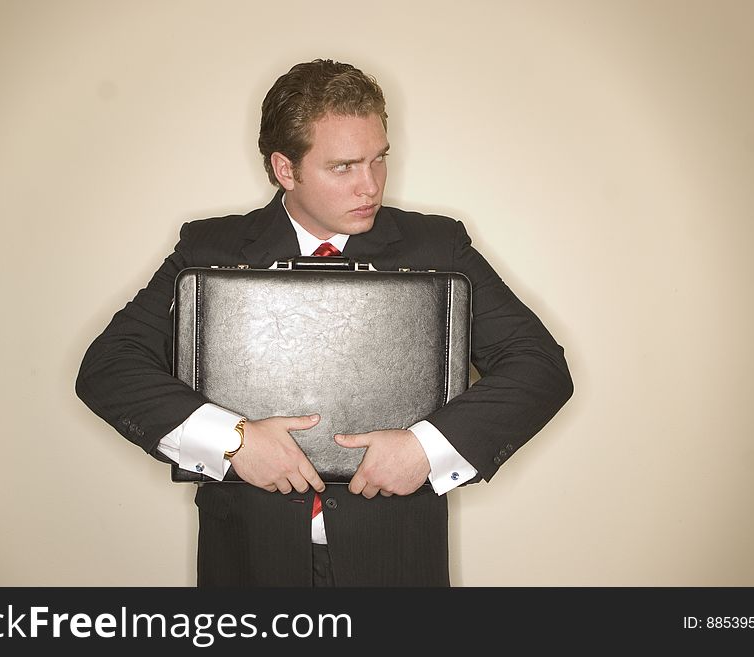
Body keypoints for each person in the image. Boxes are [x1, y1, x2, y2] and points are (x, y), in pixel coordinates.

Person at [75, 59, 573, 587]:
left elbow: (538, 366)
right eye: (344, 167)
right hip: (249, 562)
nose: (371, 186)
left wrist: (424, 449)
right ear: (286, 169)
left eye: (379, 159)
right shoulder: (210, 248)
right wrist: (235, 442)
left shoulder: (439, 246)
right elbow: (110, 367)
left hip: (395, 561)